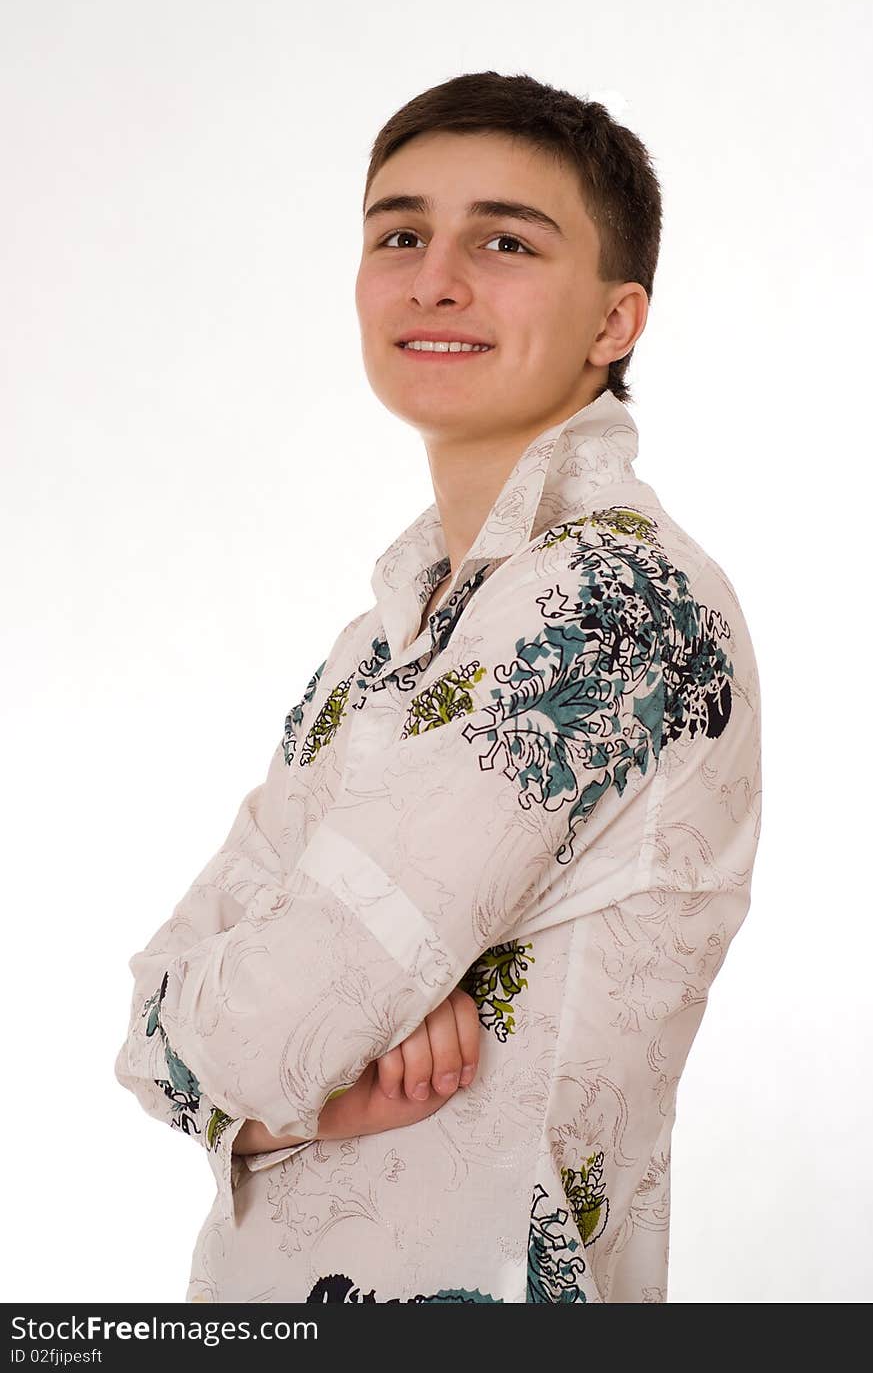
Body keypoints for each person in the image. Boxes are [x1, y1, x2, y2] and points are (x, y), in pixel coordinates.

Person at [114, 70, 762, 1304]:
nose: (436, 278)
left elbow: (255, 1025)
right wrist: (285, 1101)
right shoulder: (381, 637)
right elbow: (149, 1033)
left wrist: (284, 1032)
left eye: (505, 241)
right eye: (400, 234)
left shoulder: (608, 605)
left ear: (615, 321)